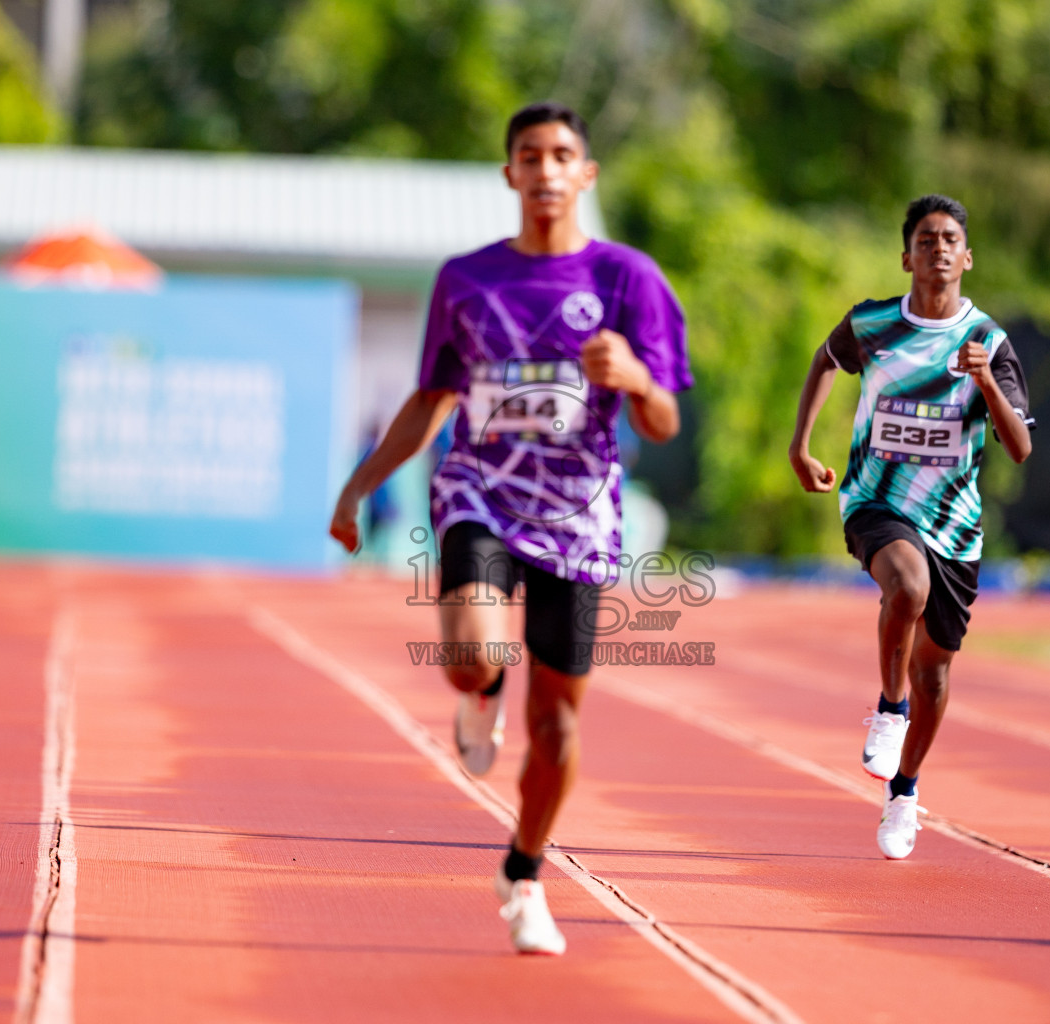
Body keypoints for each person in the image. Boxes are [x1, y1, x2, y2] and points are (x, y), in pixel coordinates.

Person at [330, 102, 691, 954]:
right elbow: (431, 400)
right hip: (481, 489)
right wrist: (356, 489)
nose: (545, 169)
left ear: (585, 174)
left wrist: (636, 374)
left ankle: (524, 873)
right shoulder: (466, 280)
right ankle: (481, 693)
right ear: (509, 174)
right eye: (529, 155)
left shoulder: (627, 278)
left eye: (562, 154)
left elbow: (666, 418)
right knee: (471, 659)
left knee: (559, 724)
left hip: (580, 512)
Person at [789, 195, 1033, 860]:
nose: (939, 249)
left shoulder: (990, 343)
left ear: (968, 256)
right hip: (877, 500)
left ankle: (904, 792)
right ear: (907, 257)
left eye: (950, 238)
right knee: (905, 588)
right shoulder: (872, 324)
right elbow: (824, 361)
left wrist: (986, 387)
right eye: (926, 240)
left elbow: (1019, 447)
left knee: (937, 673)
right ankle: (888, 708)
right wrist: (801, 446)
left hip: (954, 522)